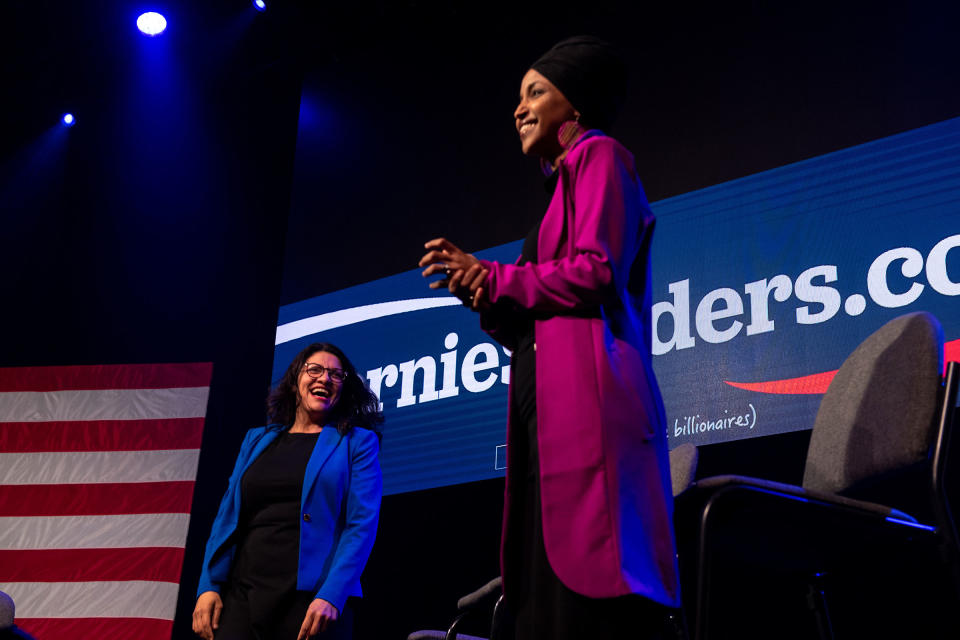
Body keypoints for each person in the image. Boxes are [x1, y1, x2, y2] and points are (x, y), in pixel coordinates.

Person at [419, 36, 680, 639]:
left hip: (593, 406)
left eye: (535, 91)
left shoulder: (601, 155)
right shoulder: (559, 189)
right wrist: (478, 289)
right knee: (544, 588)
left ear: (577, 104)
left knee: (589, 599)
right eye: (518, 95)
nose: (519, 107)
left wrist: (497, 276)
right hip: (549, 407)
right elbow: (533, 317)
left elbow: (597, 271)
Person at [193, 343, 383, 640]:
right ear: (296, 380)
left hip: (310, 600)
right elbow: (226, 518)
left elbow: (361, 526)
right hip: (243, 594)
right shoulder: (257, 439)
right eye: (315, 370)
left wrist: (331, 595)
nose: (324, 379)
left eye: (336, 374)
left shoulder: (357, 442)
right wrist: (209, 585)